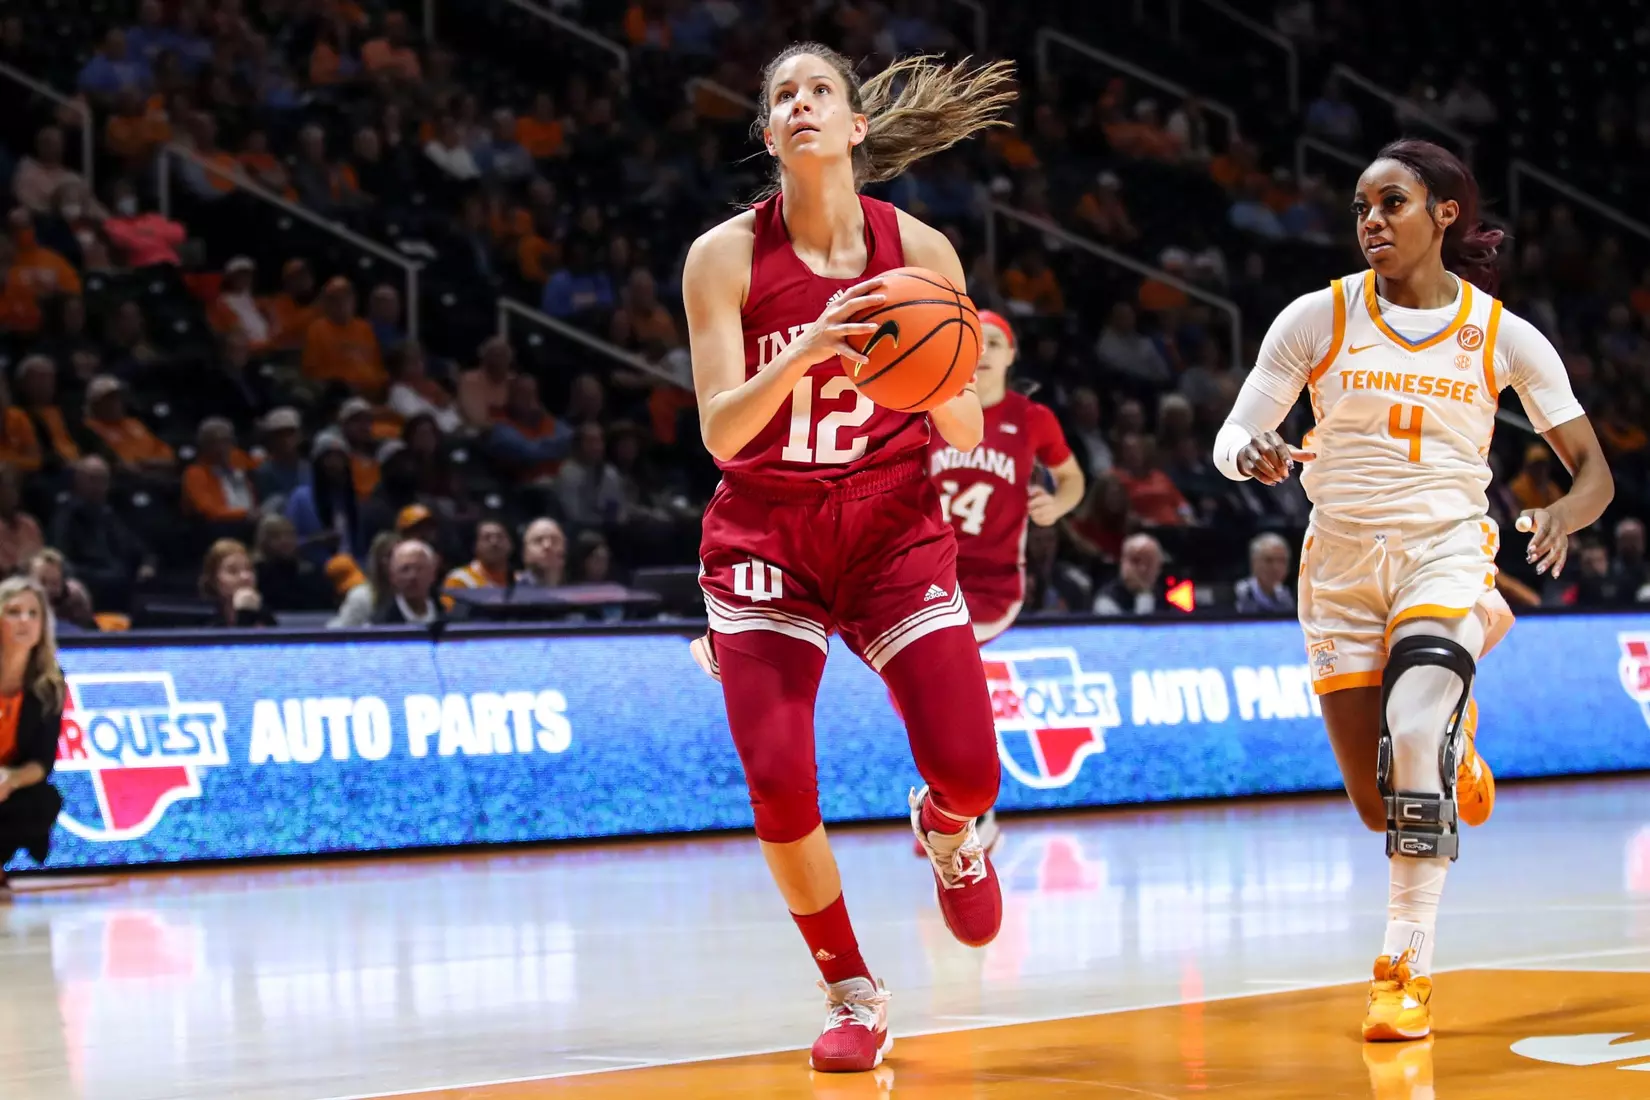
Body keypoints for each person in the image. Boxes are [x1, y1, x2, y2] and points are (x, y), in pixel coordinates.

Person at [1212, 139, 1613, 1043]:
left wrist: (1562, 515)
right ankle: (1462, 701)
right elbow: (1231, 435)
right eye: (1360, 207)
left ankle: (1404, 967)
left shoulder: (1501, 332)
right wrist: (1252, 452)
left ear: (1443, 215)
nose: (1371, 221)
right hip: (1339, 569)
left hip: (1441, 551)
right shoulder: (1317, 317)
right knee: (1378, 801)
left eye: (1391, 203)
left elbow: (1596, 471)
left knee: (1416, 732)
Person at [679, 44, 1016, 1073]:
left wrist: (913, 371)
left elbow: (963, 412)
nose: (800, 104)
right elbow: (721, 433)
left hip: (888, 526)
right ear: (770, 135)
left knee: (970, 766)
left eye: (819, 89)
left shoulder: (921, 252)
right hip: (767, 530)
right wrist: (816, 350)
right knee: (779, 782)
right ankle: (852, 989)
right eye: (781, 96)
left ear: (856, 125)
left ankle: (950, 827)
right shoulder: (724, 257)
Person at [921, 310, 1083, 850]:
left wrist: (1056, 504)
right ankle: (953, 795)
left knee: (935, 672)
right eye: (976, 341)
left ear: (1012, 355)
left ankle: (968, 806)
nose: (985, 350)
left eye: (996, 342)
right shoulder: (930, 408)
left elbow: (1073, 477)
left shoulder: (1032, 418)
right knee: (921, 681)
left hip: (992, 586)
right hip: (928, 578)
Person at [0, 576, 66, 896]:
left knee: (44, 800)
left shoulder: (49, 684)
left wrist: (9, 779)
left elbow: (43, 761)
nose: (24, 621)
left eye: (33, 613)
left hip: (6, 784)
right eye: (13, 612)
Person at [199, 538, 276, 627]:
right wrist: (245, 615)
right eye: (233, 571)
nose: (245, 577)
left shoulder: (266, 618)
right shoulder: (209, 627)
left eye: (249, 569)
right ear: (213, 580)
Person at [371, 539, 441, 624]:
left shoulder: (450, 615)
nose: (413, 576)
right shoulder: (379, 624)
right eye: (405, 569)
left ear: (432, 573)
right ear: (392, 577)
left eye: (419, 568)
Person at [1234, 531, 1294, 613]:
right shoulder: (1239, 595)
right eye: (1268, 560)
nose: (1276, 567)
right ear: (1254, 563)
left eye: (1282, 561)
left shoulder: (1287, 597)